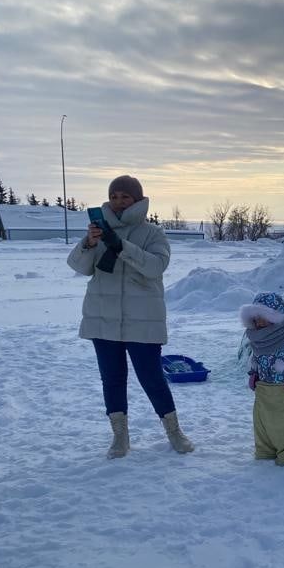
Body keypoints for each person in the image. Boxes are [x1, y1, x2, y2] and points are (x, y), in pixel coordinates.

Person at [67, 174, 194, 458]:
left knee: (152, 378)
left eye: (125, 196)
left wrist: (121, 246)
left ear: (138, 199)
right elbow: (79, 266)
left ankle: (174, 432)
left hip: (142, 318)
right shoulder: (98, 229)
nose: (118, 201)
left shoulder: (153, 233)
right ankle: (119, 437)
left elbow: (155, 267)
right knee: (111, 379)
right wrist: (88, 243)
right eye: (114, 196)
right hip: (103, 317)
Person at [240, 292, 284, 465]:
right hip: (265, 390)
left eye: (263, 318)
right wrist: (253, 374)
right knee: (265, 422)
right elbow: (256, 358)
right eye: (255, 319)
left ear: (275, 317)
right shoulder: (257, 339)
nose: (258, 323)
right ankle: (266, 450)